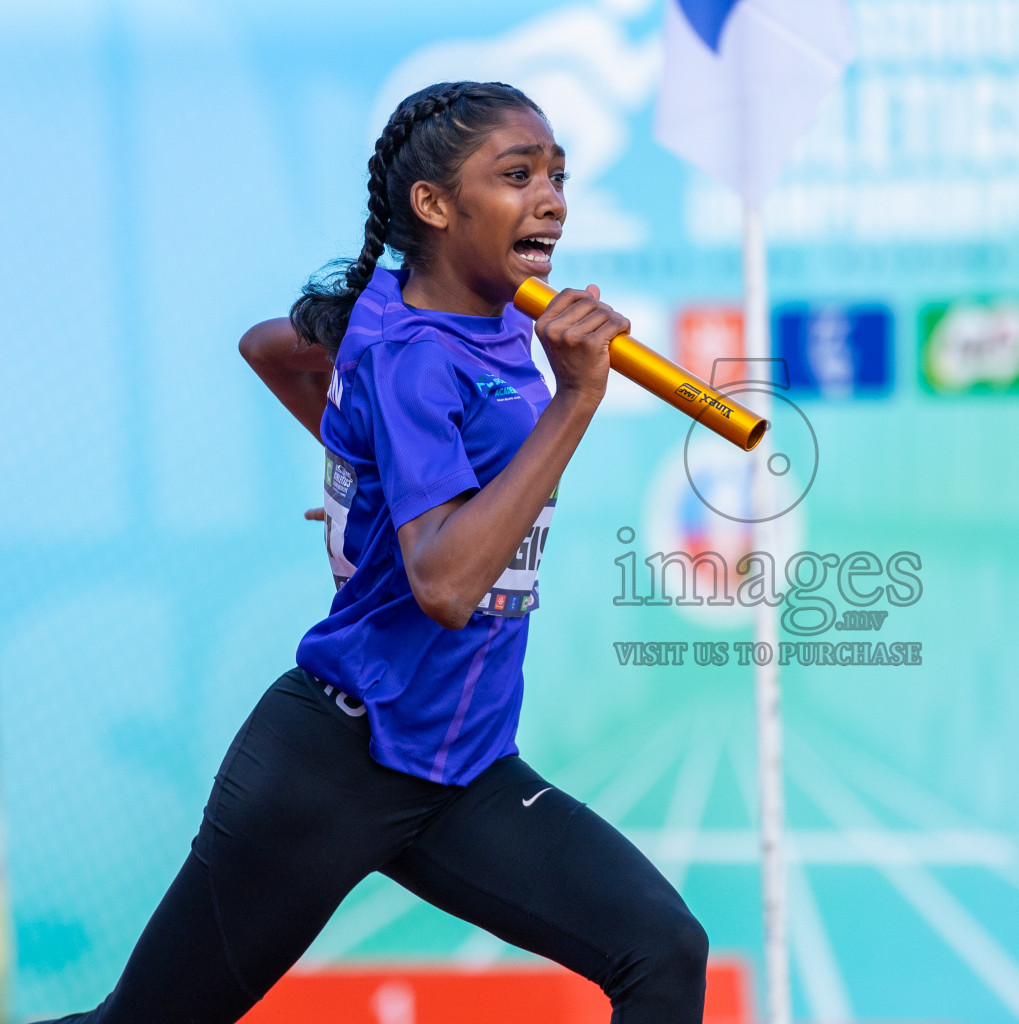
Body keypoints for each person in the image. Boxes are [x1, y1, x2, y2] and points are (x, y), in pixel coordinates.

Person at [40, 81, 708, 1024]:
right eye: (517, 174)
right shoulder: (415, 351)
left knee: (663, 949)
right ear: (434, 206)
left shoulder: (500, 318)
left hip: (459, 767)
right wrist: (574, 403)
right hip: (336, 764)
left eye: (558, 174)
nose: (552, 197)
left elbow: (271, 346)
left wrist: (375, 476)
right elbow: (442, 584)